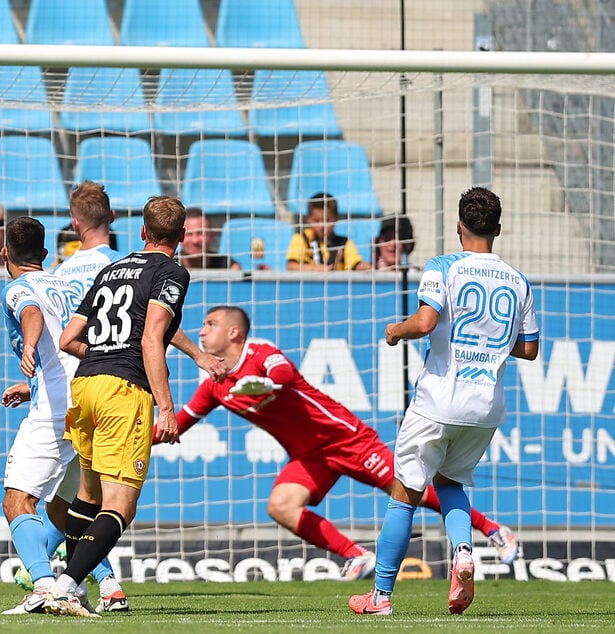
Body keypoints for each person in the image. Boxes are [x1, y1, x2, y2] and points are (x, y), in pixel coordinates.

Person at [162, 304, 522, 583]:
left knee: (412, 491)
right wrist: (127, 433)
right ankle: (355, 555)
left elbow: (283, 372)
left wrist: (266, 385)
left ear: (234, 331)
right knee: (281, 506)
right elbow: (176, 426)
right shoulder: (214, 385)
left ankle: (493, 529)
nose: (202, 331)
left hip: (346, 439)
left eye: (210, 324)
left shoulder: (260, 352)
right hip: (309, 456)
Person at [349, 187, 539, 616]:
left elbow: (426, 321)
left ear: (458, 227)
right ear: (499, 229)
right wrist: (488, 345)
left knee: (404, 494)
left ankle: (379, 597)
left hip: (439, 400)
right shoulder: (517, 279)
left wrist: (397, 330)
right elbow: (529, 349)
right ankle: (465, 553)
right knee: (452, 483)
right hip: (485, 407)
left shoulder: (443, 267)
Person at [43, 195, 189, 618]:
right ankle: (67, 586)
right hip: (122, 390)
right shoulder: (171, 271)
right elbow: (150, 340)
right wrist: (166, 407)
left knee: (86, 496)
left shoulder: (112, 269)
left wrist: (103, 354)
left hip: (85, 384)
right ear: (180, 237)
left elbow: (68, 339)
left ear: (143, 232)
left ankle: (78, 589)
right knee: (120, 506)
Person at [0, 216, 92, 615]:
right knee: (65, 507)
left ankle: (44, 586)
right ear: (46, 254)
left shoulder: (18, 288)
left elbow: (32, 313)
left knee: (17, 501)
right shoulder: (67, 285)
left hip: (55, 410)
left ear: (5, 254)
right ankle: (79, 585)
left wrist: (29, 348)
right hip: (90, 400)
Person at [286, 192, 371, 271]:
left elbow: (355, 264)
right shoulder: (301, 238)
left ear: (336, 218)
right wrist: (315, 268)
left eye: (327, 220)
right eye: (316, 221)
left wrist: (362, 266)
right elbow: (291, 266)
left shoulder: (344, 243)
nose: (322, 226)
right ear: (309, 219)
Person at [176, 207, 241, 270]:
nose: (195, 241)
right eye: (189, 234)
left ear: (212, 236)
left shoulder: (229, 266)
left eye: (201, 233)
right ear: (180, 236)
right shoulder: (168, 264)